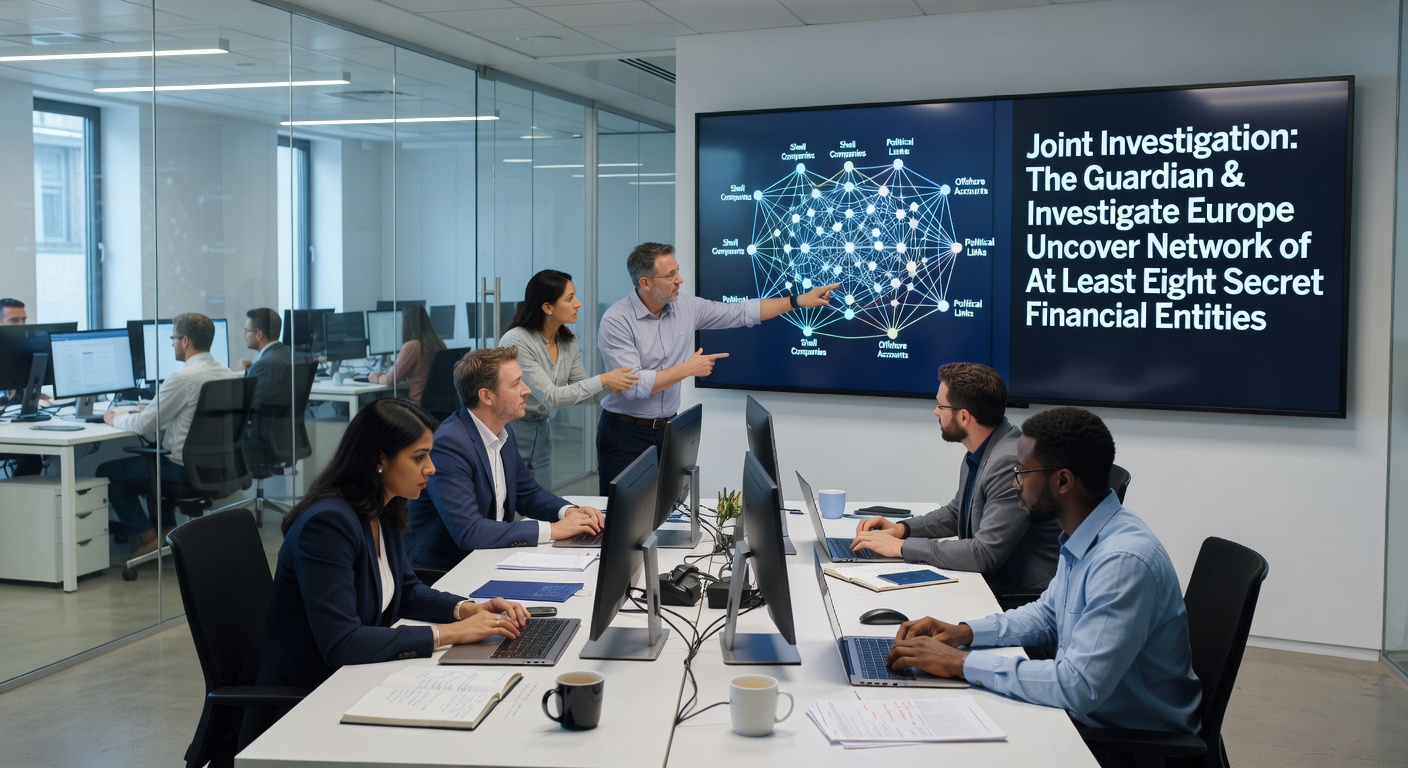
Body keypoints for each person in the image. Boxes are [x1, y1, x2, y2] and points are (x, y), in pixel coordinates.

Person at [885, 407, 1201, 759]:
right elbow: (1048, 615)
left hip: (1125, 744)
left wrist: (959, 663)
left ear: (1063, 481)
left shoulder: (1122, 561)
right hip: (1085, 718)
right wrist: (963, 633)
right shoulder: (1086, 533)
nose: (1014, 484)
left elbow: (1078, 686)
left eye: (1021, 473)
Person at [246, 398, 528, 746]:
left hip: (354, 679)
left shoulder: (383, 506)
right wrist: (451, 633)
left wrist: (467, 609)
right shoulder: (328, 525)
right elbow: (342, 642)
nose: (432, 469)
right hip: (306, 699)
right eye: (418, 457)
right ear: (379, 459)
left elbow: (406, 590)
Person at [596, 242, 839, 493]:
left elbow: (741, 312)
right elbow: (633, 386)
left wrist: (798, 300)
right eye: (670, 275)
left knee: (667, 513)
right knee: (620, 519)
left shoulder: (686, 308)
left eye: (677, 271)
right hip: (625, 433)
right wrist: (688, 369)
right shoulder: (616, 320)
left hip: (670, 431)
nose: (680, 279)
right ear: (645, 283)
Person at [850, 362, 1059, 598]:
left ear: (963, 416)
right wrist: (901, 529)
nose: (935, 412)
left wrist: (901, 547)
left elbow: (983, 554)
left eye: (941, 405)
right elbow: (955, 512)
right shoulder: (985, 449)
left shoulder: (1010, 462)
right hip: (988, 583)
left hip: (1019, 597)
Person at [407, 347, 605, 573]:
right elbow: (470, 532)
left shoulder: (501, 431)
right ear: (486, 396)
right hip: (446, 570)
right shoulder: (449, 445)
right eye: (516, 384)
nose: (527, 390)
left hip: (489, 555)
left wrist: (568, 512)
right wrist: (555, 530)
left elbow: (528, 494)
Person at [97, 313, 240, 556]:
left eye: (173, 338)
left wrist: (114, 417)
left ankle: (148, 537)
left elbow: (143, 425)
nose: (172, 343)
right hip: (217, 467)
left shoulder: (182, 378)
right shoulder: (227, 373)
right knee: (156, 460)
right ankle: (169, 529)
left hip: (183, 471)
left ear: (184, 341)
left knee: (107, 472)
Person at [500, 269, 637, 486]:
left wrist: (615, 386)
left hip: (542, 430)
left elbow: (581, 391)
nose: (578, 304)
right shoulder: (517, 340)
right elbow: (551, 396)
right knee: (503, 506)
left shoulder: (568, 340)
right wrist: (604, 380)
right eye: (570, 298)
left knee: (543, 501)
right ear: (547, 307)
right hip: (510, 430)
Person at [0, 298, 43, 477]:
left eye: (24, 320)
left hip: (14, 428)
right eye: (14, 321)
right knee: (31, 456)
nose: (22, 326)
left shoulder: (21, 354)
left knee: (33, 456)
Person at [368, 303, 444, 403]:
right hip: (437, 406)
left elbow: (390, 380)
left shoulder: (413, 346)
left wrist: (376, 377)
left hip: (418, 406)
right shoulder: (438, 343)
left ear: (406, 323)